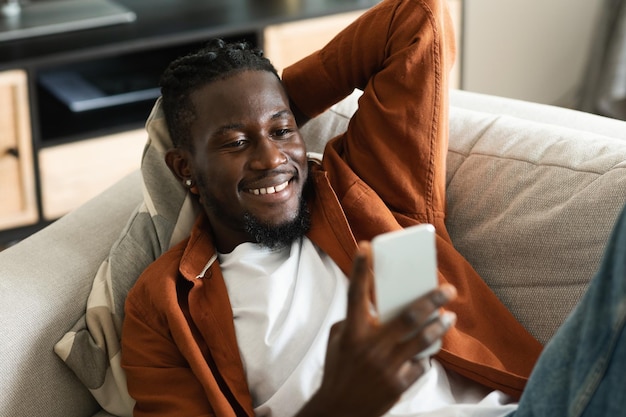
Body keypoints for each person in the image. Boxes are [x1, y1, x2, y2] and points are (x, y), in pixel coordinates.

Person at [121, 0, 626, 415]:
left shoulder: (363, 187)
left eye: (284, 131)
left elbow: (416, 20)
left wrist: (260, 96)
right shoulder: (164, 304)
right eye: (234, 142)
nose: (272, 159)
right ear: (185, 168)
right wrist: (343, 404)